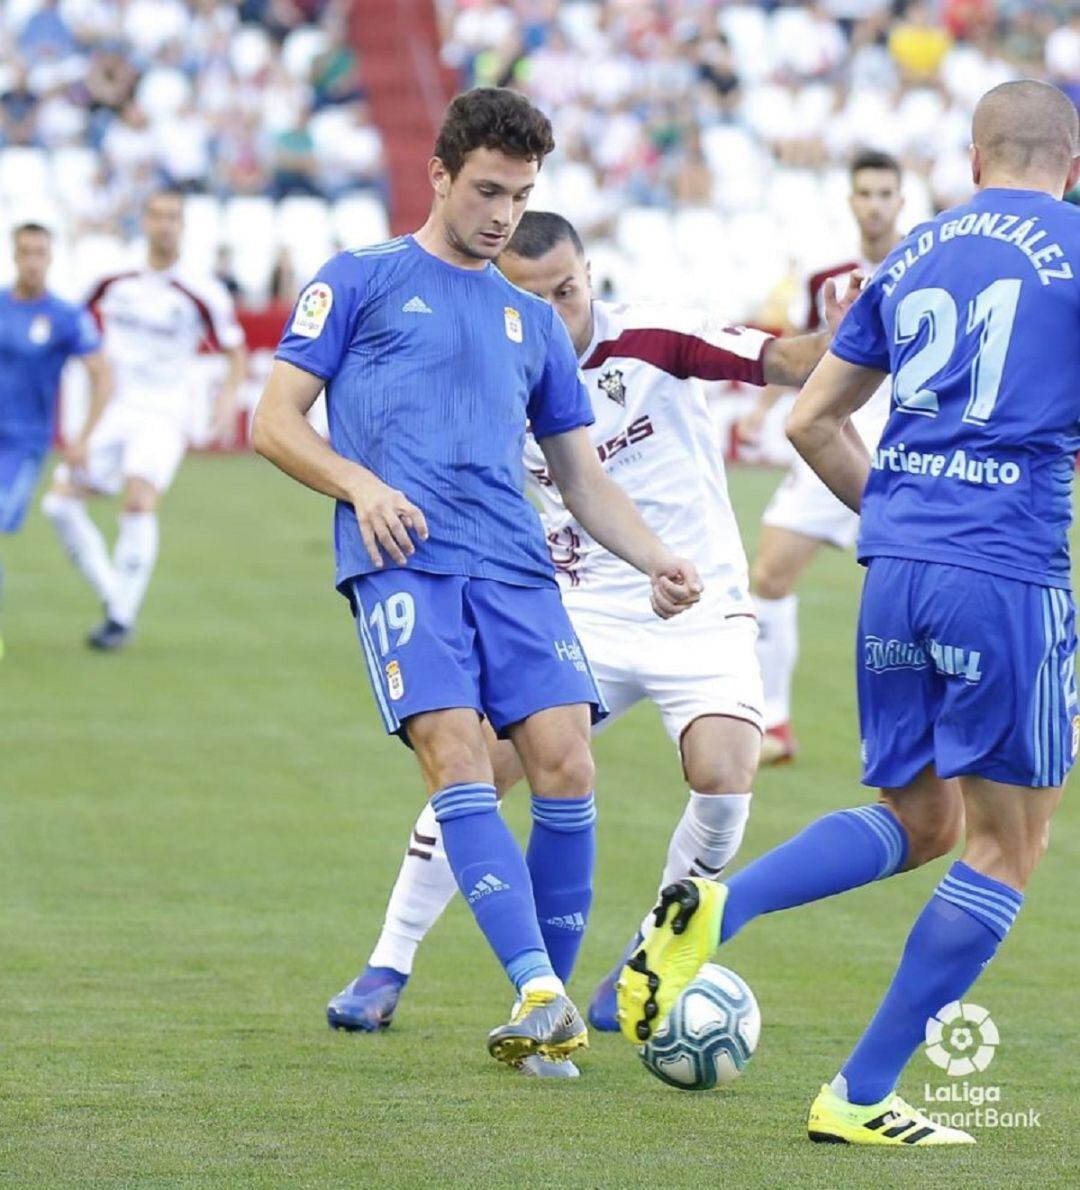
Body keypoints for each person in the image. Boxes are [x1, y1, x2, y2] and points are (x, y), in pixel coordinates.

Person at [616, 79, 1080, 1147]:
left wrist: (910, 514)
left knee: (924, 819)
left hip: (896, 567)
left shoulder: (914, 250)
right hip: (1002, 570)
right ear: (1072, 161)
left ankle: (718, 906)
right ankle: (861, 1089)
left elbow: (812, 418)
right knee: (1009, 846)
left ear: (971, 161)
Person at [326, 210, 858, 1063]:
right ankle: (388, 964)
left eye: (569, 291)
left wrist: (846, 331)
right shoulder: (486, 356)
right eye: (536, 298)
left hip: (696, 602)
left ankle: (651, 954)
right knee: (478, 769)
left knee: (726, 774)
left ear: (588, 275)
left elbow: (785, 361)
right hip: (572, 608)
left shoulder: (651, 335)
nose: (559, 315)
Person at [251, 89, 702, 1074]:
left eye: (522, 194)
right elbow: (275, 420)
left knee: (568, 764)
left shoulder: (530, 321)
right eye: (489, 190)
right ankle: (542, 988)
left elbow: (581, 474)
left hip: (515, 564)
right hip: (404, 558)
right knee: (457, 758)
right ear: (441, 177)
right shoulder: (359, 279)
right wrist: (358, 482)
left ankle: (545, 1025)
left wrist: (655, 555)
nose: (504, 213)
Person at [739, 150, 905, 762]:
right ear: (851, 200)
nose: (875, 203)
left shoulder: (926, 262)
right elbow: (822, 355)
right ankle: (775, 723)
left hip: (901, 444)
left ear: (901, 200)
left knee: (923, 581)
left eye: (885, 193)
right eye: (865, 192)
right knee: (771, 574)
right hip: (831, 436)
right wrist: (762, 407)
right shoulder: (827, 278)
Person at [43, 189, 246, 650]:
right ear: (144, 222)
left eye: (173, 217)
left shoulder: (200, 290)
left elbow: (235, 351)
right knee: (58, 504)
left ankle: (118, 619)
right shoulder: (112, 280)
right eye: (157, 216)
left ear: (183, 225)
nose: (165, 225)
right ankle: (117, 595)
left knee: (138, 499)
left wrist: (226, 400)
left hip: (163, 411)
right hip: (113, 408)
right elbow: (69, 324)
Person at [0, 223, 109, 657]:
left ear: (49, 257)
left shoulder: (65, 317)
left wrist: (82, 437)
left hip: (24, 444)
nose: (31, 260)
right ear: (13, 255)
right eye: (24, 252)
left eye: (39, 252)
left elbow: (102, 376)